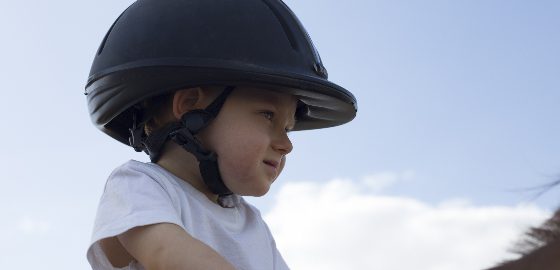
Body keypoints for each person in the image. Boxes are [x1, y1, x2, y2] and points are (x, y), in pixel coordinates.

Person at [84, 0, 357, 269]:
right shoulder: (139, 185)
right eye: (268, 116)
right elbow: (165, 253)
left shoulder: (253, 226)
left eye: (287, 129)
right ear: (191, 107)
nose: (286, 145)